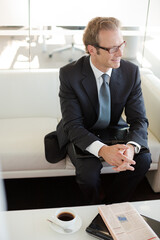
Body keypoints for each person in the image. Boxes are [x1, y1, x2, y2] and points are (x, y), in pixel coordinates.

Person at [47, 17, 152, 204]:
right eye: (112, 48)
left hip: (112, 128)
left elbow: (139, 119)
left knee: (142, 160)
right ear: (92, 50)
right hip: (82, 130)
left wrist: (130, 147)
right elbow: (73, 124)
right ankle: (93, 207)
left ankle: (112, 206)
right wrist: (103, 150)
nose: (120, 52)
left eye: (122, 44)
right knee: (88, 174)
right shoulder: (70, 74)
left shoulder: (131, 72)